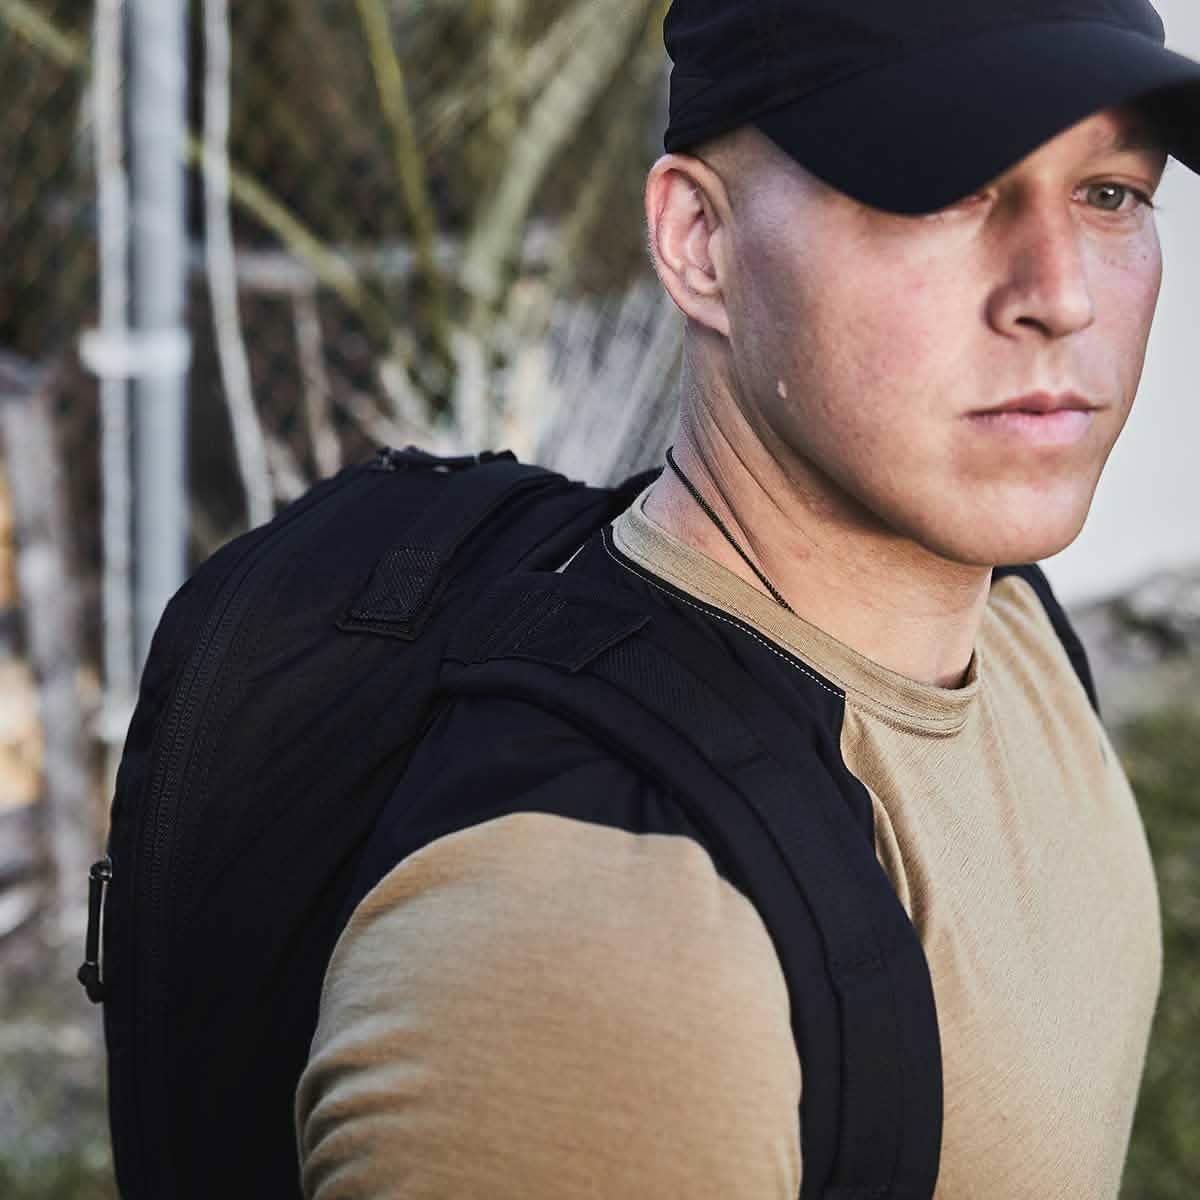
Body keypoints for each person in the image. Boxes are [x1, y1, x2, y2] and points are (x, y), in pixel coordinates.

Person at [294, 1, 1200, 1196]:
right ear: (700, 243)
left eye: (1110, 194)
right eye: (949, 186)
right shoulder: (599, 954)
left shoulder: (1014, 629)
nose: (1061, 294)